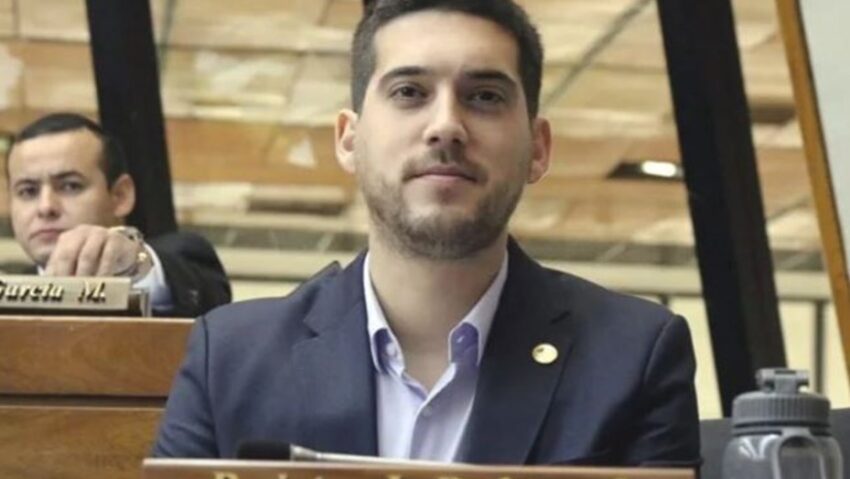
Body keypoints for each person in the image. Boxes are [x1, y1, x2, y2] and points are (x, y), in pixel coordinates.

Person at [153, 0, 700, 467]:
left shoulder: (634, 358)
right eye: (410, 91)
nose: (446, 126)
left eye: (484, 96)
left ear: (538, 148)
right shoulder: (229, 360)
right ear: (349, 139)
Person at [5, 113, 232, 317]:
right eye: (28, 191)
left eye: (70, 186)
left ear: (120, 196)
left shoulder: (180, 261)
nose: (46, 207)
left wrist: (134, 265)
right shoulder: (9, 293)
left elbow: (208, 300)